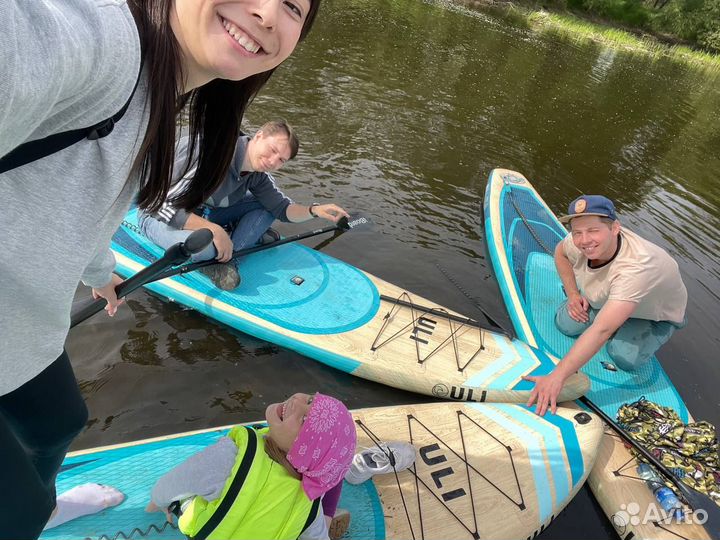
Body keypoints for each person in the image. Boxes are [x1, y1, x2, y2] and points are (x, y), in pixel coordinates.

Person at [0, 0, 322, 537]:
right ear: (261, 138)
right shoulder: (103, 42)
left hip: (26, 333)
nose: (267, 12)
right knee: (16, 514)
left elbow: (90, 203)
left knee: (61, 424)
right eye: (273, 150)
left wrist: (100, 272)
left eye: (293, 6)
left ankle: (49, 504)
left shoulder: (167, 100)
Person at [525, 195, 688, 416]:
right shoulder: (577, 243)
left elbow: (602, 330)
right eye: (577, 232)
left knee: (623, 356)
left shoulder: (637, 266)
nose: (584, 240)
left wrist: (556, 377)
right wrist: (573, 294)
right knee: (567, 324)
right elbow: (560, 253)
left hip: (653, 313)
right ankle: (613, 313)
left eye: (593, 230)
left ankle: (632, 324)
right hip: (615, 296)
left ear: (615, 228)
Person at [139, 120, 349, 290]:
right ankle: (230, 242)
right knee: (203, 246)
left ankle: (228, 259)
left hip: (204, 214)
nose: (273, 161)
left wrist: (315, 210)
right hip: (156, 215)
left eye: (282, 160)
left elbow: (282, 209)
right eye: (273, 149)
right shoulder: (213, 154)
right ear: (258, 136)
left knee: (265, 207)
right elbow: (160, 203)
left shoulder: (258, 175)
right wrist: (214, 230)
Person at [146, 392, 356, 540]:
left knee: (185, 499)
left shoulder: (230, 457)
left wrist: (158, 501)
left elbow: (173, 483)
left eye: (304, 419)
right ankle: (330, 519)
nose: (297, 401)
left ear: (301, 449)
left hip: (205, 531)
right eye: (310, 400)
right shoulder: (310, 507)